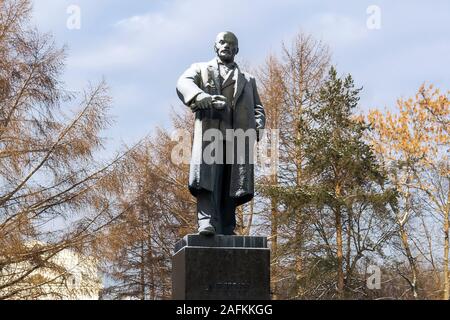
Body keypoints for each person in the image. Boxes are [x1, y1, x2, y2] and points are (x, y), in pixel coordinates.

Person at [176, 31, 265, 236]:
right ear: (216, 47)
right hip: (211, 135)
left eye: (231, 43)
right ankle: (206, 222)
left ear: (237, 50)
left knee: (232, 183)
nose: (226, 45)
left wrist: (257, 128)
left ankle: (226, 226)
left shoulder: (248, 80)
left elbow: (258, 109)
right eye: (222, 42)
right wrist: (200, 96)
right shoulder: (200, 69)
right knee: (208, 180)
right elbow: (183, 83)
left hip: (238, 138)